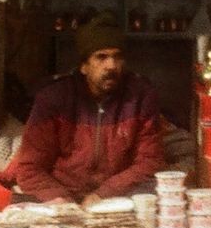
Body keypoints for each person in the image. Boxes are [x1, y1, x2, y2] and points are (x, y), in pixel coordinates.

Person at [15, 14, 165, 207]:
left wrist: (103, 195)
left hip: (117, 196)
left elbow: (150, 161)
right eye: (101, 57)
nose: (111, 66)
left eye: (117, 57)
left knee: (158, 193)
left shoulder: (141, 96)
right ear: (84, 66)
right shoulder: (53, 98)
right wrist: (62, 202)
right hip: (61, 195)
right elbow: (30, 168)